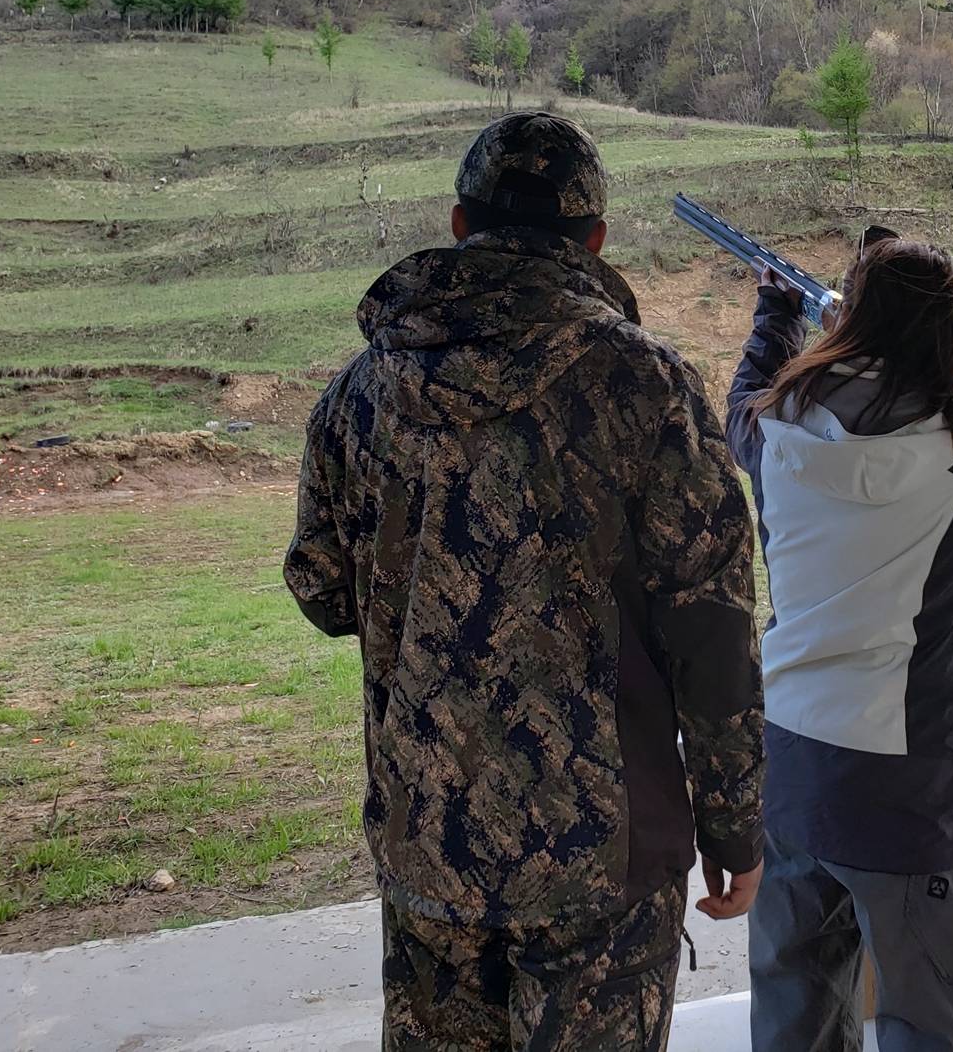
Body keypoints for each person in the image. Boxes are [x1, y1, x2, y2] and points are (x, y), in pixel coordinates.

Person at [284, 111, 765, 1052]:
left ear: (460, 228)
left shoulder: (361, 391)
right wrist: (735, 827)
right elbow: (712, 630)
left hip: (431, 855)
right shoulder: (648, 387)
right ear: (594, 243)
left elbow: (324, 593)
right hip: (607, 867)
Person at [728, 238, 953, 1052]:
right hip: (912, 785)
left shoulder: (776, 429)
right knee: (933, 1019)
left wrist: (776, 317)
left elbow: (740, 404)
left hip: (794, 762)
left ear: (850, 318)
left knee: (795, 1017)